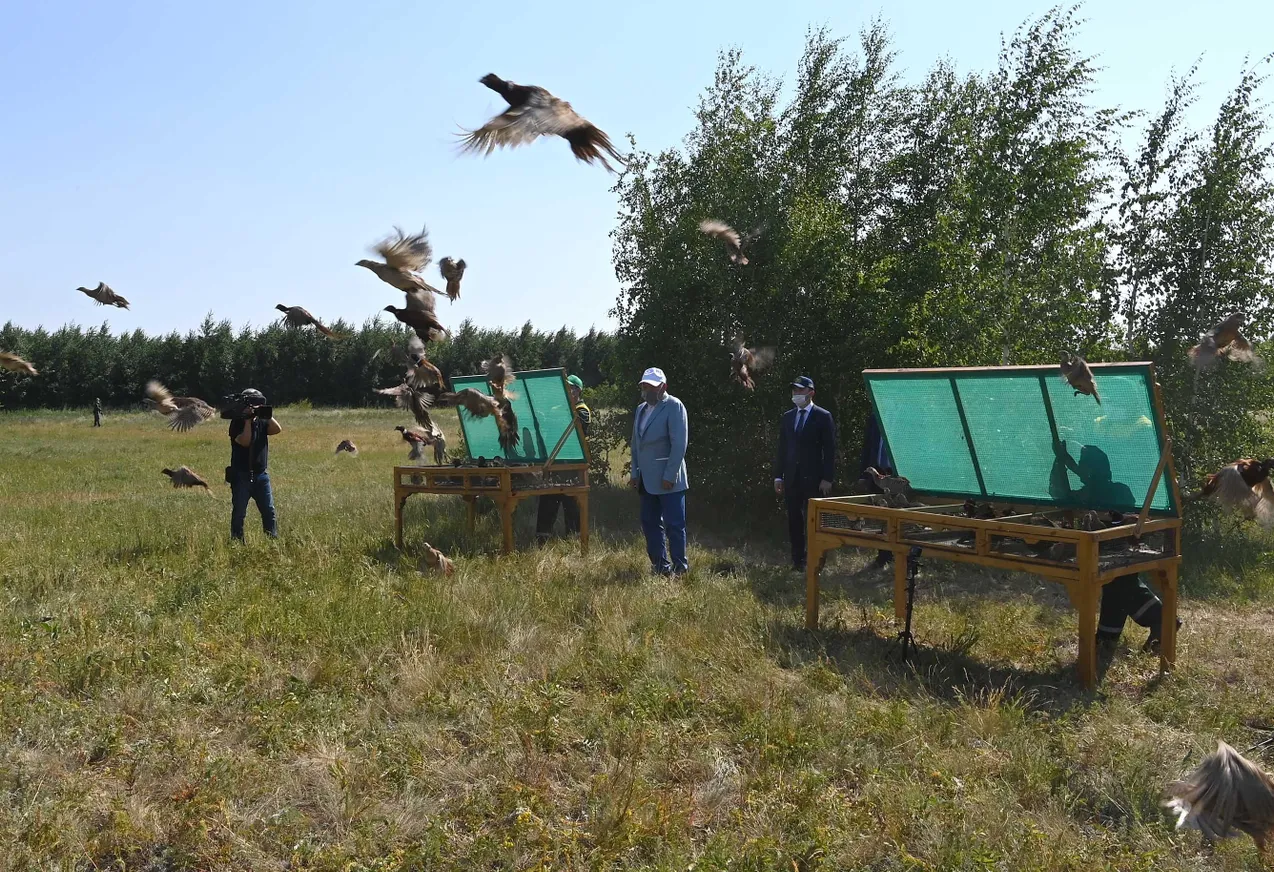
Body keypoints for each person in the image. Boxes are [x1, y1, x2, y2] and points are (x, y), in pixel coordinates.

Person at [1050, 441, 1178, 651]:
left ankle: (1149, 623)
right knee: (1119, 584)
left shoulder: (1104, 492)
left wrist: (1062, 462)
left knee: (1118, 582)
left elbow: (1060, 493)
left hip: (1115, 549)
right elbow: (1062, 491)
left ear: (1093, 469)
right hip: (1115, 548)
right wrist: (1063, 460)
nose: (1081, 469)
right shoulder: (1112, 489)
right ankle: (1113, 634)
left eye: (1085, 464)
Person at [629, 367, 689, 575]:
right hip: (646, 479)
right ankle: (660, 567)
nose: (647, 390)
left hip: (668, 479)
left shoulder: (674, 406)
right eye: (644, 386)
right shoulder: (641, 409)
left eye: (651, 386)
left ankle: (680, 568)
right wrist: (634, 472)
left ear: (663, 387)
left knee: (674, 525)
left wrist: (669, 475)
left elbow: (679, 444)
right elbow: (636, 443)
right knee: (649, 522)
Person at [773, 376, 836, 571]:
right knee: (794, 520)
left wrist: (827, 478)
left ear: (811, 393)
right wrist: (778, 476)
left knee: (815, 521)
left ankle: (817, 559)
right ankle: (798, 560)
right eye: (794, 391)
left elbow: (830, 450)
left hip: (815, 479)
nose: (796, 394)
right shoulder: (788, 417)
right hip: (792, 478)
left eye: (800, 390)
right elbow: (782, 448)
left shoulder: (823, 416)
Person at [536, 374, 591, 544]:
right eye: (565, 387)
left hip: (574, 465)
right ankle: (542, 540)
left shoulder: (583, 410)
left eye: (571, 387)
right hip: (555, 462)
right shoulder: (555, 408)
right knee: (547, 502)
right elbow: (550, 432)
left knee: (572, 505)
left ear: (578, 390)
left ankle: (573, 542)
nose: (567, 390)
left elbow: (576, 429)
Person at [228, 388, 282, 542]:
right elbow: (245, 442)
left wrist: (265, 414)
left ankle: (272, 540)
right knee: (239, 512)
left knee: (268, 511)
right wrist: (247, 421)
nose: (255, 407)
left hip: (261, 474)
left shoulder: (262, 421)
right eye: (253, 404)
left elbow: (277, 430)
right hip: (241, 475)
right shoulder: (236, 423)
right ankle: (237, 542)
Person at [858, 408, 894, 567]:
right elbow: (868, 446)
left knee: (898, 515)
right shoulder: (875, 416)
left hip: (896, 476)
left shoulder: (904, 415)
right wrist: (863, 475)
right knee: (881, 516)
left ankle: (900, 556)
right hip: (877, 473)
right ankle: (883, 556)